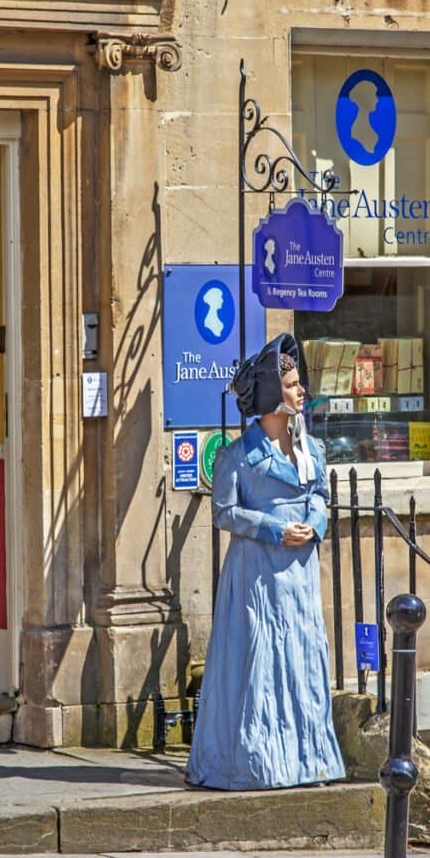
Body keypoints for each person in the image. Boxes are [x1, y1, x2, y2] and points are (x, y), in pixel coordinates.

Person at [185, 333, 345, 791]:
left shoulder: (311, 451)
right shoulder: (238, 457)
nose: (301, 393)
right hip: (258, 575)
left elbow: (321, 496)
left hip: (299, 576)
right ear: (274, 394)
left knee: (301, 659)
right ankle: (256, 763)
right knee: (260, 660)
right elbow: (224, 512)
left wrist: (313, 524)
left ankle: (308, 760)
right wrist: (276, 529)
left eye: (299, 384)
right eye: (293, 385)